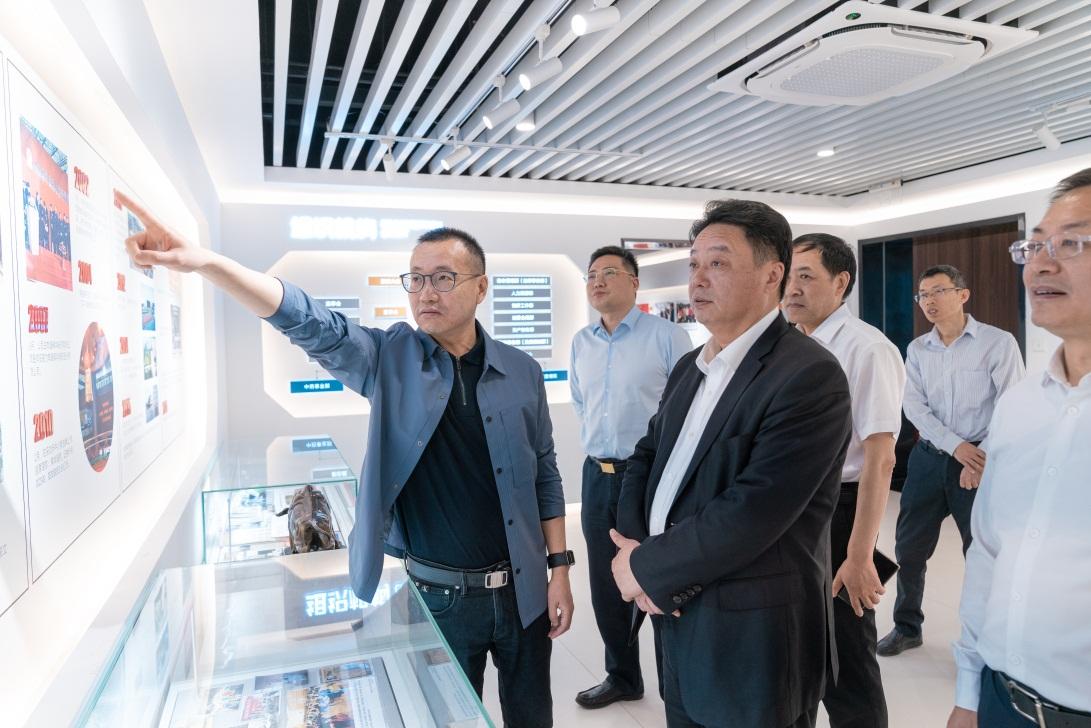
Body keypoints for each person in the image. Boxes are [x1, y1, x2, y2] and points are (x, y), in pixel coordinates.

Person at [117, 193, 573, 728]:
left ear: (481, 287)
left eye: (443, 278)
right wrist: (207, 263)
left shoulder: (522, 371)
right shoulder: (389, 359)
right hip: (439, 599)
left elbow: (544, 474)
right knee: (446, 719)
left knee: (533, 717)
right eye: (415, 279)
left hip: (523, 591)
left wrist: (559, 570)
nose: (426, 292)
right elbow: (310, 323)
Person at [611, 199, 852, 728]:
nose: (698, 279)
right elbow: (646, 457)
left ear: (772, 275)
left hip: (752, 641)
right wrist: (635, 548)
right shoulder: (689, 367)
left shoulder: (808, 375)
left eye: (718, 262)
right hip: (674, 612)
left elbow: (753, 512)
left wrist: (647, 569)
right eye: (694, 263)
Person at [947, 168, 1091, 727]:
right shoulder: (1020, 406)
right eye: (1034, 246)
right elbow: (988, 552)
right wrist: (968, 692)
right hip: (1001, 699)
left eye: (1071, 243)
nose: (1040, 265)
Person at [783, 234, 906, 728]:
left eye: (806, 276)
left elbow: (880, 459)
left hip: (842, 509)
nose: (792, 288)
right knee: (799, 650)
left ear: (841, 283)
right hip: (794, 508)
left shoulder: (867, 348)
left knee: (846, 657)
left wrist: (859, 556)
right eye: (788, 276)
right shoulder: (790, 343)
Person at [878, 264, 1024, 657]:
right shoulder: (917, 349)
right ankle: (907, 627)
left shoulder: (997, 343)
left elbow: (1012, 405)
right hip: (930, 458)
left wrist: (977, 458)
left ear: (962, 295)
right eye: (923, 295)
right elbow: (915, 407)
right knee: (909, 548)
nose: (929, 301)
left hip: (980, 459)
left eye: (938, 291)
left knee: (979, 552)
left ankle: (985, 636)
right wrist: (955, 446)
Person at [569, 245, 692, 709]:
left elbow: (683, 409)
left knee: (655, 576)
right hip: (597, 475)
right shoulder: (581, 342)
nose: (597, 281)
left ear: (634, 283)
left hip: (649, 476)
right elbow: (581, 403)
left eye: (609, 273)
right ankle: (622, 676)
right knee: (606, 583)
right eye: (591, 274)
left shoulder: (668, 336)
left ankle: (676, 687)